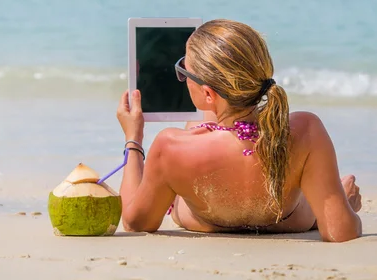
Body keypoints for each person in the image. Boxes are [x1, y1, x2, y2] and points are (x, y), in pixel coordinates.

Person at [116, 19, 362, 242]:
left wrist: (133, 139)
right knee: (213, 117)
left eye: (184, 72)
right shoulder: (307, 130)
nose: (182, 77)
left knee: (199, 122)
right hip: (291, 221)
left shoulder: (171, 146)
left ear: (208, 93)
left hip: (205, 219)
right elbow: (341, 231)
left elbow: (135, 222)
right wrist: (343, 204)